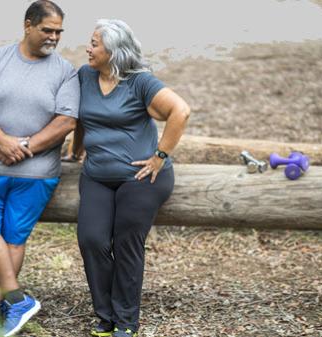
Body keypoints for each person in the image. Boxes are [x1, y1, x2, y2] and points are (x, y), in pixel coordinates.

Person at [0, 1, 79, 336]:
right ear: (28, 25)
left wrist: (23, 147)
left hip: (36, 171)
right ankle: (17, 299)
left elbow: (66, 120)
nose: (54, 37)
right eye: (47, 30)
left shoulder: (65, 71)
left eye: (58, 32)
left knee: (14, 236)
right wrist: (1, 141)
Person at [73, 19, 190, 337]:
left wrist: (159, 156)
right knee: (92, 239)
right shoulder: (85, 76)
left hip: (141, 177)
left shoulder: (140, 82)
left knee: (126, 240)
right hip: (97, 175)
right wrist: (75, 150)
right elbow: (82, 118)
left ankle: (125, 322)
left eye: (95, 43)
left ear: (113, 50)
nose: (88, 47)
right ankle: (106, 314)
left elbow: (181, 111)